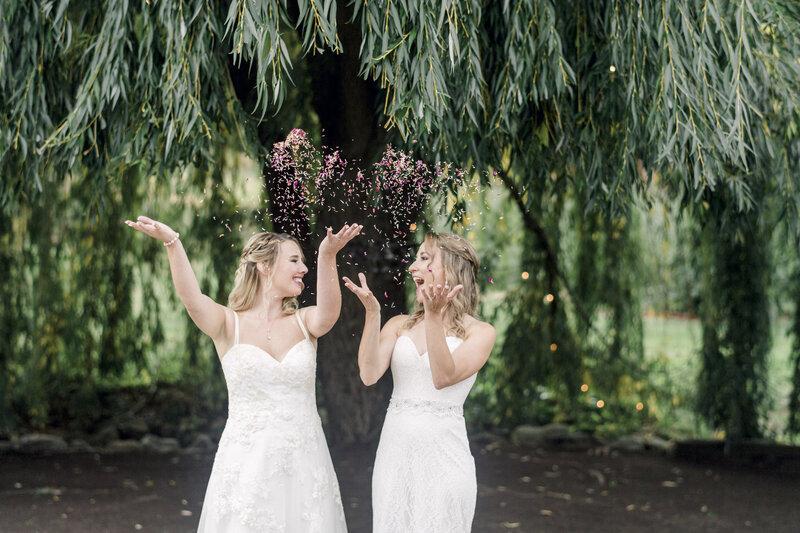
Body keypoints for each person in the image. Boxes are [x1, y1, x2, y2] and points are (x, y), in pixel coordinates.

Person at [125, 215, 361, 532]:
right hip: (247, 463)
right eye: (294, 260)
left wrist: (327, 254)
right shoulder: (227, 325)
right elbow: (192, 300)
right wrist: (173, 242)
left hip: (305, 463)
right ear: (264, 267)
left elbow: (330, 312)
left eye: (304, 261)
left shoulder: (305, 322)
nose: (303, 269)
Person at [343, 231, 496, 533]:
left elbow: (443, 377)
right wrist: (373, 315)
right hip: (395, 458)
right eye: (415, 259)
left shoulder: (481, 333)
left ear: (451, 268)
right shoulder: (398, 325)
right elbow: (369, 373)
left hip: (445, 460)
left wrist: (435, 317)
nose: (412, 267)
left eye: (424, 258)